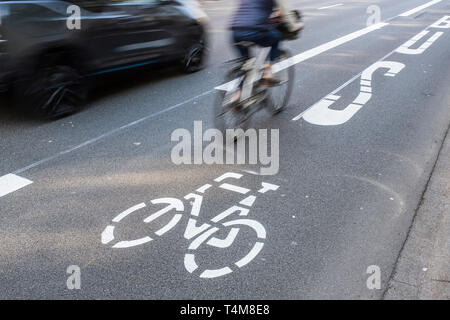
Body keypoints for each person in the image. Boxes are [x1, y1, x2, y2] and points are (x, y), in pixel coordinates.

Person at [230, 0, 303, 87]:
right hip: (254, 31)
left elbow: (254, 10)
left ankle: (238, 94)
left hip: (235, 32)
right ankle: (267, 73)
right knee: (276, 37)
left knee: (247, 65)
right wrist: (295, 26)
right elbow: (287, 13)